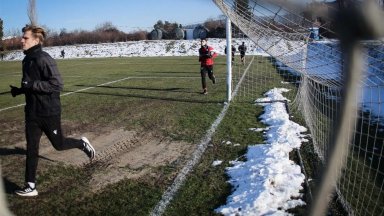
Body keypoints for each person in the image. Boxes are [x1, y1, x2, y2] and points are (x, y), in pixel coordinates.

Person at [9, 25, 96, 197]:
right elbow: (31, 85)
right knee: (31, 149)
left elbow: (57, 84)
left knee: (59, 144)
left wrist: (32, 85)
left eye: (25, 38)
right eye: (22, 37)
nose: (21, 40)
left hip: (49, 112)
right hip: (32, 113)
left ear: (36, 40)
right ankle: (30, 186)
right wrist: (19, 90)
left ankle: (81, 143)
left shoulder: (44, 58)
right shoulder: (26, 60)